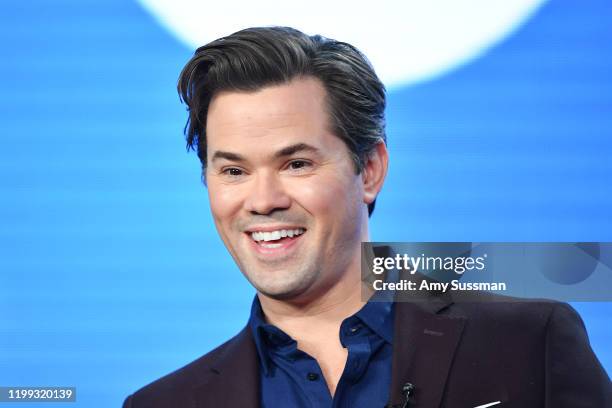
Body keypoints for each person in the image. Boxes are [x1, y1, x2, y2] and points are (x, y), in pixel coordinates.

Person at [123, 26, 610, 407]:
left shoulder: (529, 342)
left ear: (370, 169)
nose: (262, 199)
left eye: (296, 164)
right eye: (233, 169)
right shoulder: (163, 403)